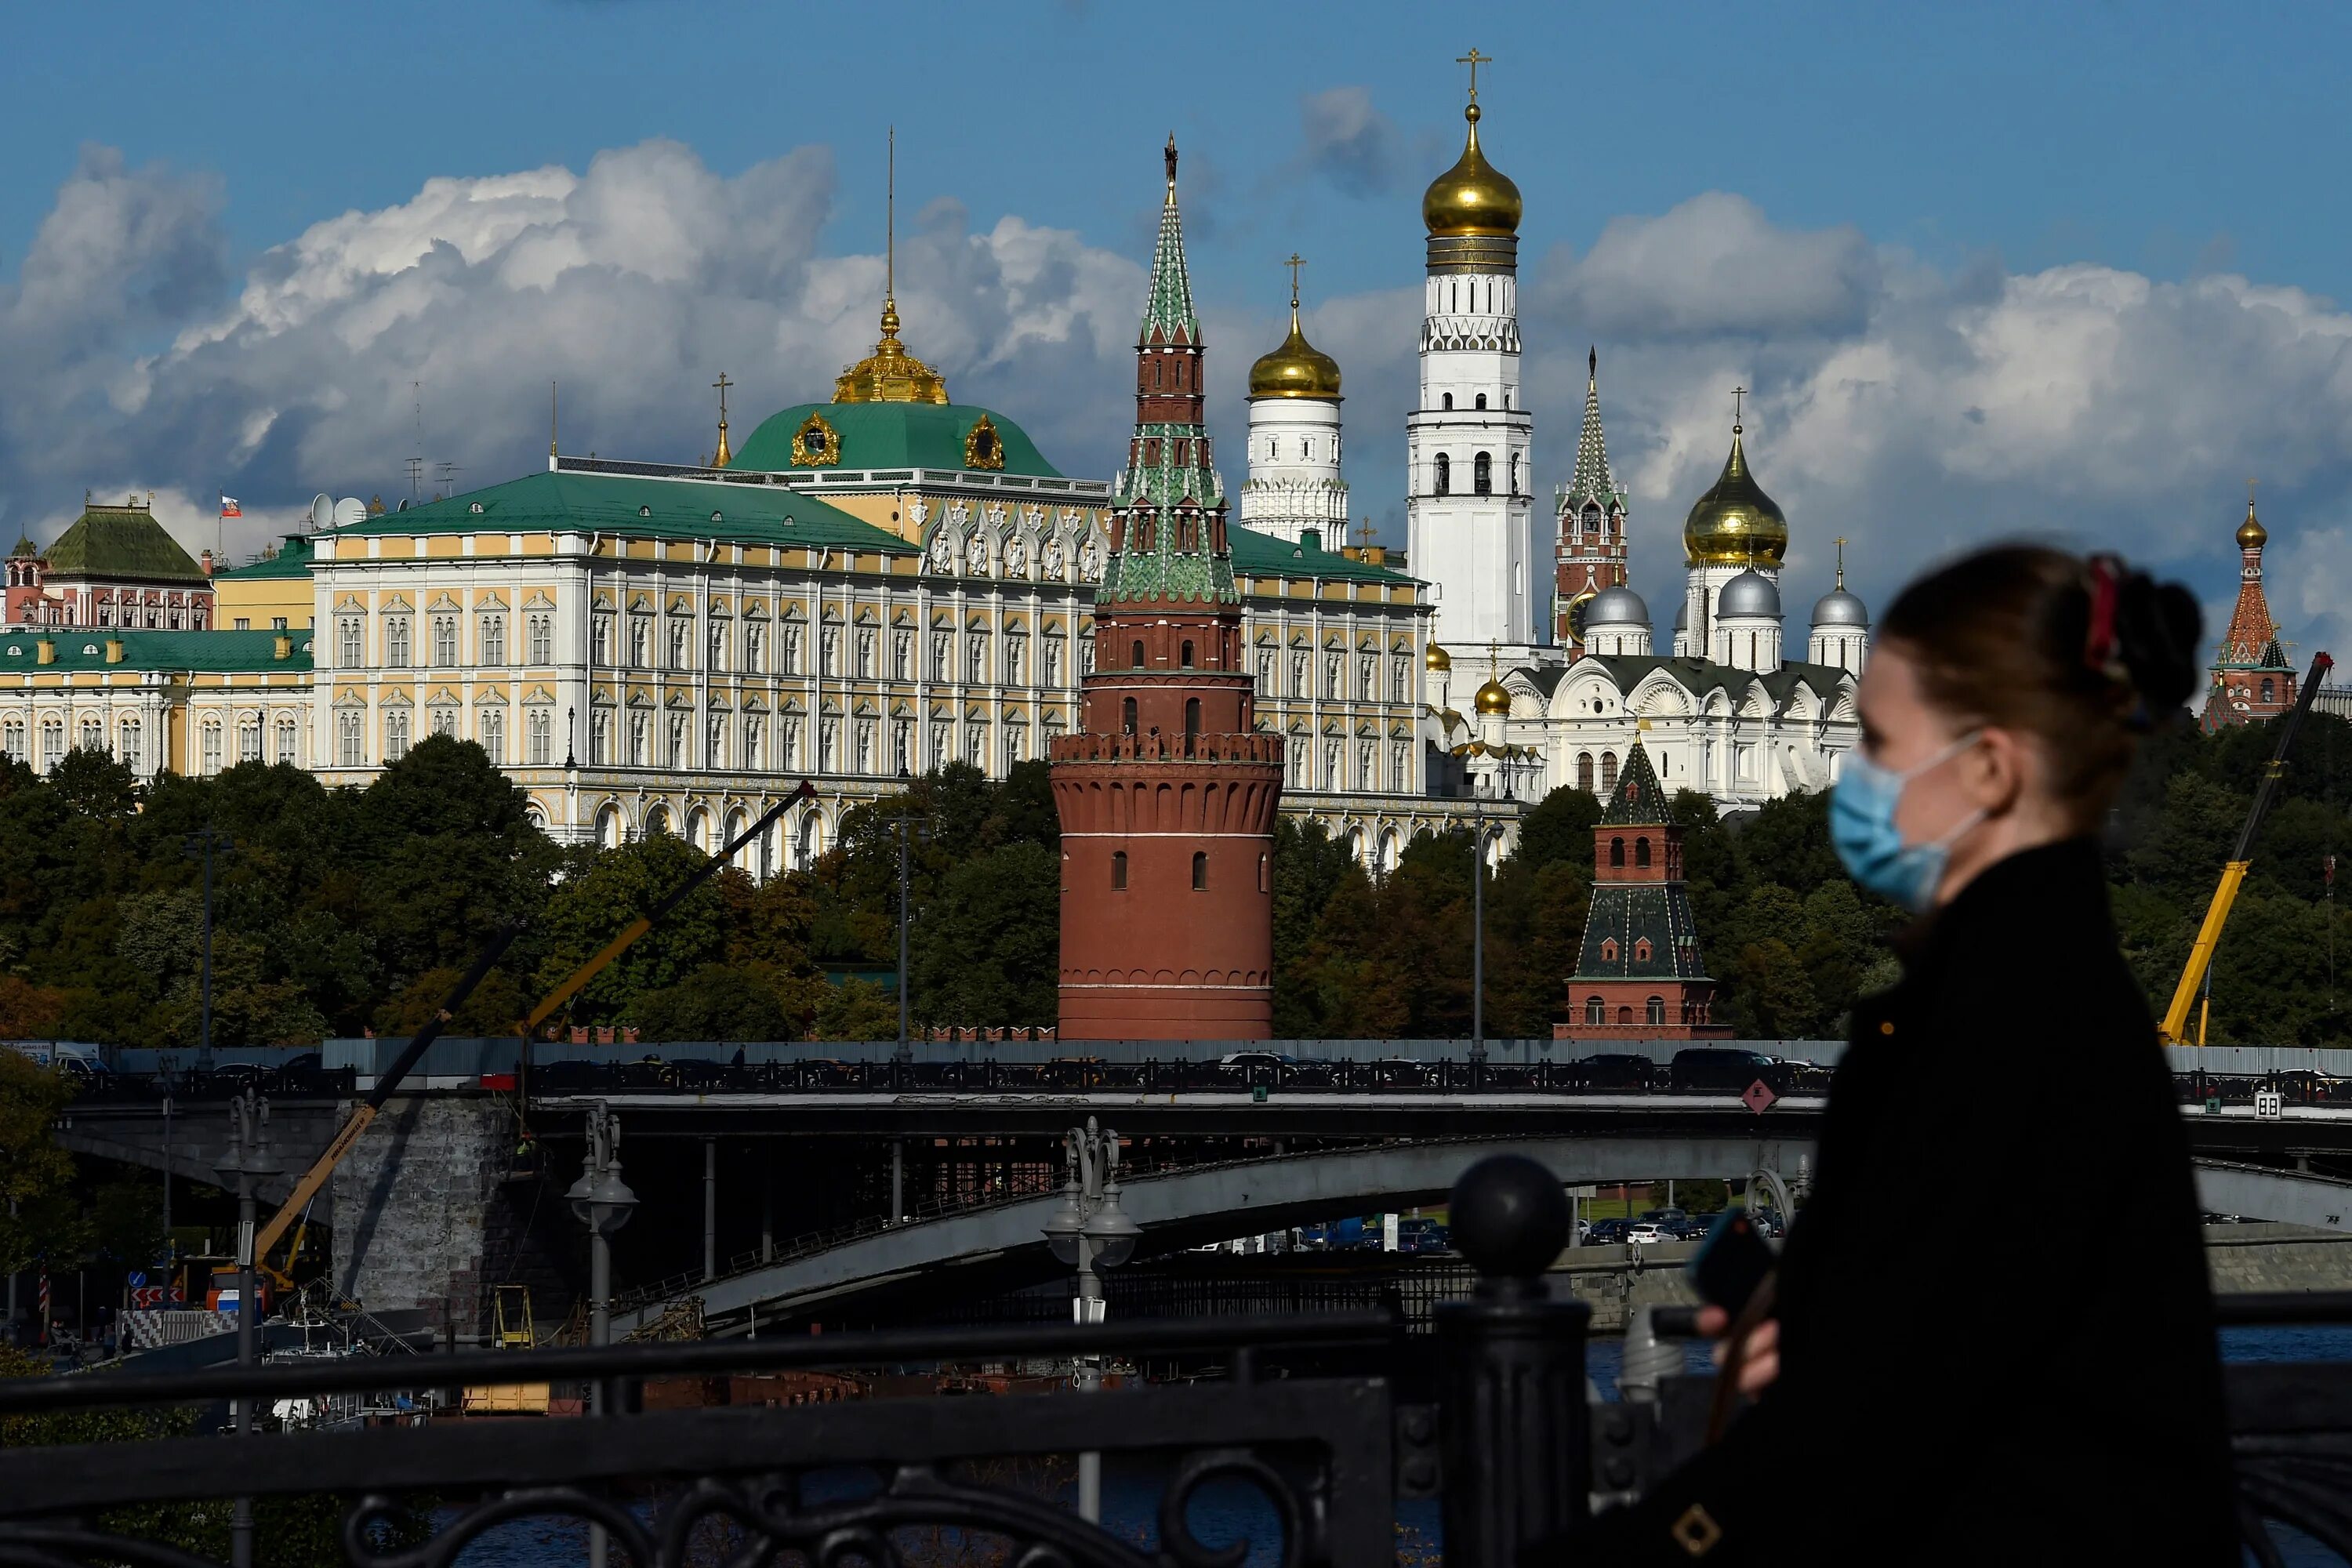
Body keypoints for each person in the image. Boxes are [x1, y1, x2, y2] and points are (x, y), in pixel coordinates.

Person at [1571, 546, 2235, 1564]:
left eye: (1880, 745)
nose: (1858, 781)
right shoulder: (2025, 986)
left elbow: (1890, 1413)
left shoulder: (2002, 1018)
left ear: (1989, 769)